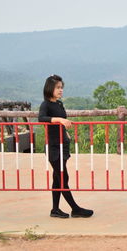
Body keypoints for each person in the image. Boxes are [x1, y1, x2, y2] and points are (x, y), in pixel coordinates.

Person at [38, 74, 94, 218]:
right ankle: (75, 209)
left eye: (61, 87)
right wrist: (60, 120)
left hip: (62, 145)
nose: (60, 90)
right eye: (57, 88)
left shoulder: (59, 104)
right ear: (50, 88)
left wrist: (65, 131)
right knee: (63, 178)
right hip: (53, 147)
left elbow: (62, 122)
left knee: (58, 178)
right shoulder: (46, 104)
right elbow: (41, 118)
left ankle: (54, 210)